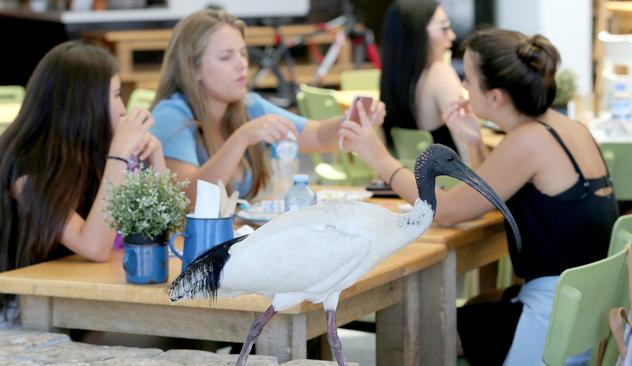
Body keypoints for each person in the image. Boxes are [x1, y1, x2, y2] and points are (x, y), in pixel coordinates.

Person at [340, 28, 619, 365]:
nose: (463, 89)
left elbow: (442, 210)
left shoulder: (529, 142)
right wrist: (473, 141)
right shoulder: (567, 129)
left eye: (468, 80)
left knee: (425, 326)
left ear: (496, 97)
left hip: (554, 322)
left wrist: (378, 157)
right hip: (590, 311)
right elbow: (495, 193)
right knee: (474, 306)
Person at [0, 41, 165, 328]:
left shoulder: (87, 152)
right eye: (115, 95)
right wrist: (119, 154)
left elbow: (158, 235)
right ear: (86, 103)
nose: (123, 108)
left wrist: (156, 157)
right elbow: (94, 248)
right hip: (24, 315)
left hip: (79, 303)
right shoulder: (24, 166)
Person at [150, 9, 385, 203]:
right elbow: (189, 198)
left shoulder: (248, 106)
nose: (241, 64)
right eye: (225, 57)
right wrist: (241, 139)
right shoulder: (172, 115)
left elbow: (318, 137)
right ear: (194, 67)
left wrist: (356, 118)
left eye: (243, 54)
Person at [379, 0, 470, 161]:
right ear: (416, 33)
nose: (452, 35)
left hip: (411, 181)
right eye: (443, 27)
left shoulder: (393, 78)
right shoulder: (440, 73)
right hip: (452, 182)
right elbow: (470, 153)